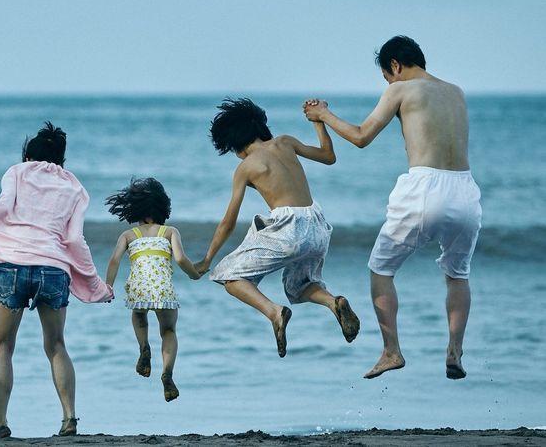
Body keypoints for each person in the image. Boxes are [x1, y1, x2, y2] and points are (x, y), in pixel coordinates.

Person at [304, 35, 482, 380]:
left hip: (424, 188)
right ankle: (455, 350)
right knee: (457, 275)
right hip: (465, 190)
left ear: (395, 66)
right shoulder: (456, 91)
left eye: (387, 76)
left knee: (380, 269)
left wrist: (323, 114)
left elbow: (360, 136)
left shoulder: (400, 89)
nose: (388, 82)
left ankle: (391, 351)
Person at [0, 122, 113, 439]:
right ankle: (69, 419)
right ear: (61, 159)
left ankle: (1, 424)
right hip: (53, 269)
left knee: (3, 347)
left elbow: (0, 209)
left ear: (28, 155)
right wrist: (96, 286)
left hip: (12, 266)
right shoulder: (74, 188)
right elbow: (75, 241)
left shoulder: (17, 173)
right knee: (56, 345)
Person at [193, 98, 360, 357]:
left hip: (289, 229)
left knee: (228, 275)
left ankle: (274, 312)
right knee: (300, 285)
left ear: (234, 142)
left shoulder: (245, 167)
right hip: (317, 225)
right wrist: (318, 122)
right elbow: (329, 156)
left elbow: (228, 221)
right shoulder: (286, 142)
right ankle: (333, 302)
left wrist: (206, 260)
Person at [104, 177, 200, 402]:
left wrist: (108, 286)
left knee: (139, 316)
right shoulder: (169, 232)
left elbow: (114, 261)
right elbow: (180, 258)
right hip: (163, 290)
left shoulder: (128, 235)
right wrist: (194, 273)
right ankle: (166, 373)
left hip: (139, 289)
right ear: (162, 207)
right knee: (168, 331)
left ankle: (144, 347)